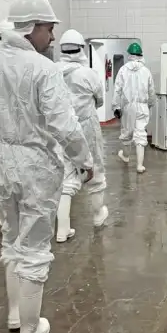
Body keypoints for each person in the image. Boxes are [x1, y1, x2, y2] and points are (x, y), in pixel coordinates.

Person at [0, 0, 94, 333]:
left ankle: (15, 315)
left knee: (11, 237)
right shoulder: (43, 68)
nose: (53, 36)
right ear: (31, 27)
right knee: (34, 247)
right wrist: (84, 159)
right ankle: (30, 331)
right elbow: (64, 125)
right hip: (35, 165)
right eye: (49, 28)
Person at [55, 29, 110, 242]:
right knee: (95, 171)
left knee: (66, 177)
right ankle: (98, 215)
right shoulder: (88, 74)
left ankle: (62, 229)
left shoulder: (51, 71)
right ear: (81, 49)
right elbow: (100, 100)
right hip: (86, 127)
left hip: (59, 128)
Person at [112, 42, 156, 173]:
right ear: (140, 55)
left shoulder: (123, 70)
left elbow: (117, 90)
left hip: (127, 107)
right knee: (140, 133)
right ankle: (139, 165)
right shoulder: (146, 71)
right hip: (143, 106)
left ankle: (125, 156)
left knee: (127, 133)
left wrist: (116, 106)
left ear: (129, 55)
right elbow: (151, 91)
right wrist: (150, 104)